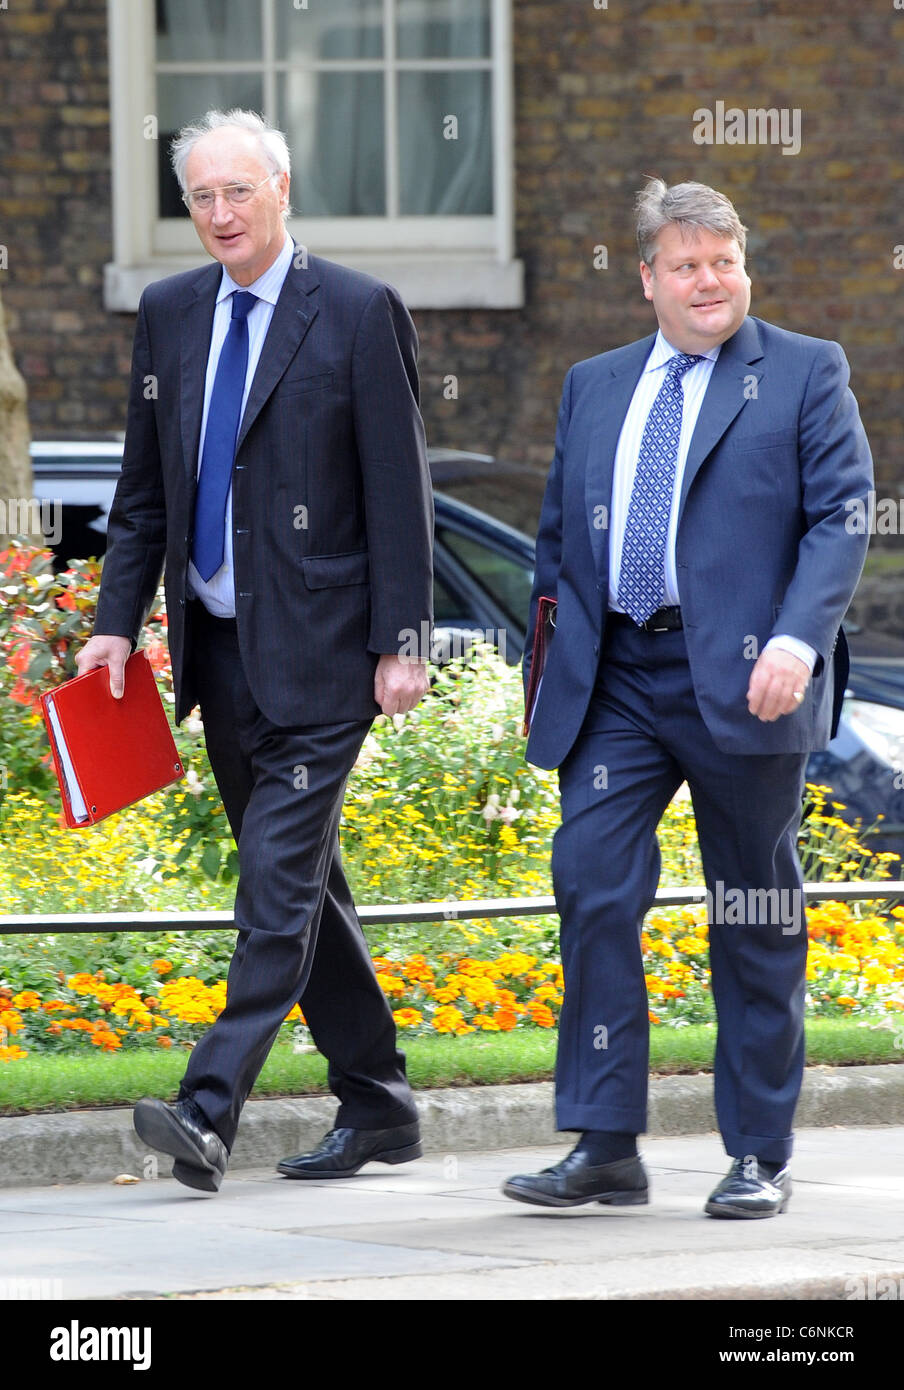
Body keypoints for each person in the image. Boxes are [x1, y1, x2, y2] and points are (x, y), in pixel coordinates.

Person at [76, 109, 433, 1193]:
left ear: (282, 188)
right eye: (201, 198)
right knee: (308, 891)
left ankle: (206, 1107)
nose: (220, 214)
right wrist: (110, 623)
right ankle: (379, 1103)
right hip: (218, 655)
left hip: (328, 655)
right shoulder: (171, 312)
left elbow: (399, 489)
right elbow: (143, 494)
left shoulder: (358, 311)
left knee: (272, 889)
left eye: (239, 191)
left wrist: (402, 642)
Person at [504, 179, 872, 1218]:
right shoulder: (595, 383)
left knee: (752, 911)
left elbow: (841, 517)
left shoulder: (802, 371)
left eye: (724, 262)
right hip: (619, 677)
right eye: (685, 264)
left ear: (741, 269)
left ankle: (758, 1150)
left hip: (752, 682)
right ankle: (605, 1143)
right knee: (591, 882)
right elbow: (556, 541)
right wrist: (549, 661)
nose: (708, 281)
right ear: (647, 279)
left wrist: (799, 639)